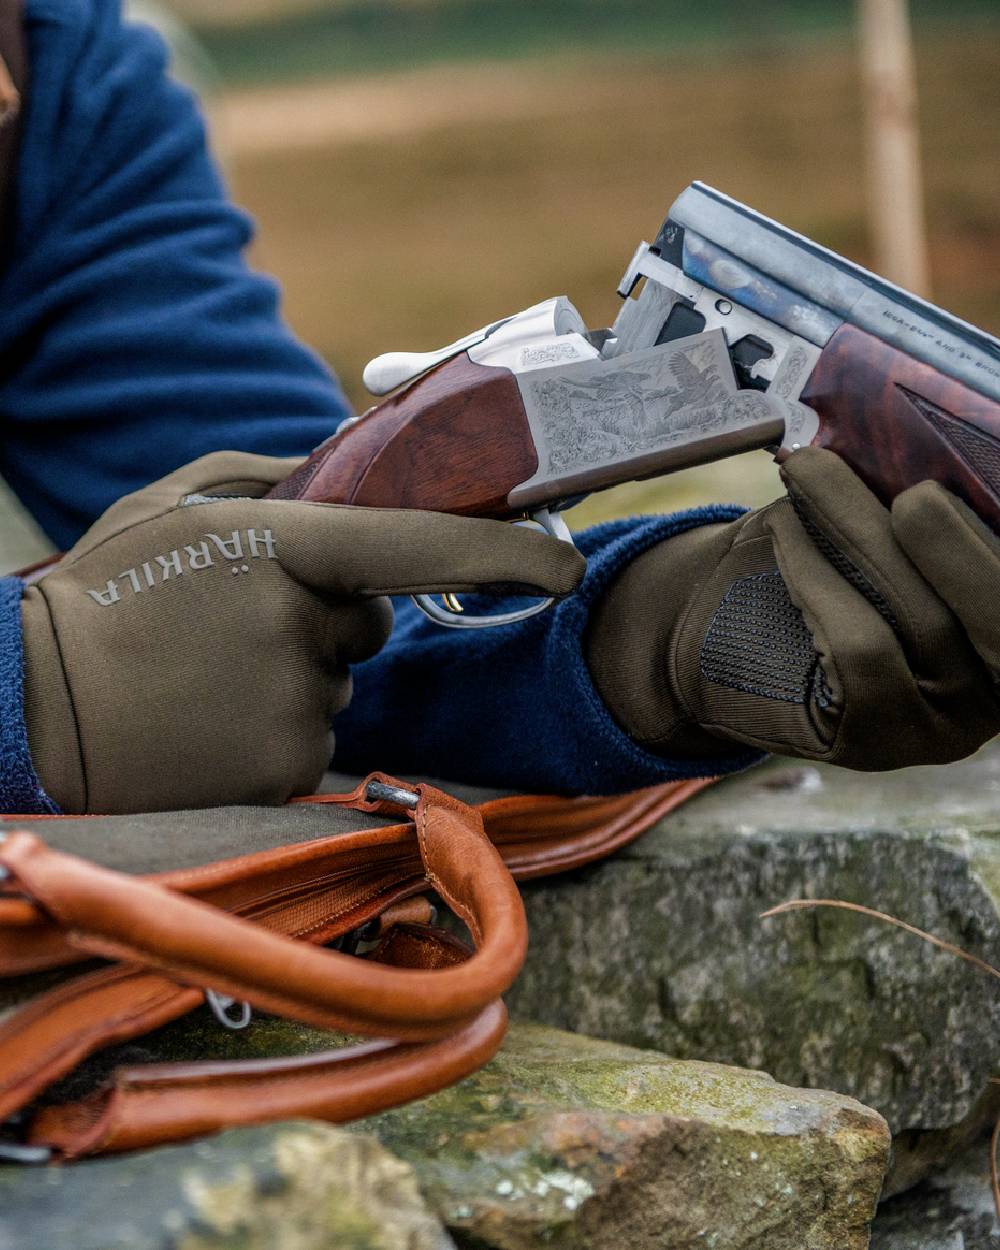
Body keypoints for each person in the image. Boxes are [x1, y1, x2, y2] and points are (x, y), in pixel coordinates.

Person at [1, 0, 998, 816]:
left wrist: (660, 637)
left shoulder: (52, 72)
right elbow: (117, 660)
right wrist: (28, 682)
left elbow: (318, 600)